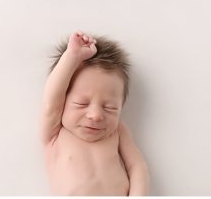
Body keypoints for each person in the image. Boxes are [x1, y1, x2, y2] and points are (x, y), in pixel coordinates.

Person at [41, 31, 149, 195]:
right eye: (81, 103)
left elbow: (137, 167)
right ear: (63, 102)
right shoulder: (56, 131)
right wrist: (72, 56)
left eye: (110, 107)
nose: (96, 115)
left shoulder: (117, 131)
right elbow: (51, 100)